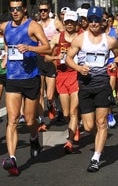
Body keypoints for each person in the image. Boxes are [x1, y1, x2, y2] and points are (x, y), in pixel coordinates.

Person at [0, 0, 51, 176]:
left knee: (29, 120)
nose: (14, 12)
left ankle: (34, 137)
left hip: (30, 78)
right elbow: (7, 44)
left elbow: (47, 47)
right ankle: (12, 158)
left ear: (25, 9)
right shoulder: (6, 27)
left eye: (18, 8)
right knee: (12, 120)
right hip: (13, 78)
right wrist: (6, 56)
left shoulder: (32, 26)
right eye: (11, 9)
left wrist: (30, 48)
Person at [65, 6, 118, 172]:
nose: (94, 23)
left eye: (97, 20)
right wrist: (78, 68)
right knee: (89, 127)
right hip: (85, 86)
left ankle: (96, 157)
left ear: (102, 22)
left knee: (101, 122)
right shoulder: (79, 39)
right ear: (87, 21)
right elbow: (68, 58)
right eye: (91, 20)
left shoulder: (109, 40)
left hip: (102, 85)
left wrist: (115, 63)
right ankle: (100, 137)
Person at [44, 10, 81, 153]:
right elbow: (46, 57)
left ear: (76, 23)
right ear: (64, 23)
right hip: (61, 76)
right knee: (66, 113)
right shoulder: (56, 38)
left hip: (76, 75)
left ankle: (70, 141)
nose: (69, 25)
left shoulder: (81, 38)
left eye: (72, 22)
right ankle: (75, 126)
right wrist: (56, 57)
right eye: (67, 22)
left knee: (73, 111)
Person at [37, 1, 64, 130]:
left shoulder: (55, 23)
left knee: (50, 94)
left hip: (52, 59)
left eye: (45, 10)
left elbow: (65, 36)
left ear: (49, 11)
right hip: (39, 59)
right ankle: (41, 120)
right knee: (40, 92)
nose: (43, 12)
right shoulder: (36, 25)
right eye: (41, 10)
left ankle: (51, 104)